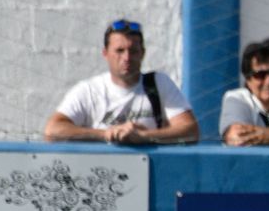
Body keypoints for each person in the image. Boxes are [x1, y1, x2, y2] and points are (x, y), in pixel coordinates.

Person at [43, 20, 199, 144]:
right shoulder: (89, 90)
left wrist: (145, 136)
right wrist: (106, 134)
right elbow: (53, 130)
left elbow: (190, 131)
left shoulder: (159, 83)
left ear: (142, 53)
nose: (127, 58)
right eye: (119, 51)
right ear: (105, 53)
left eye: (133, 51)